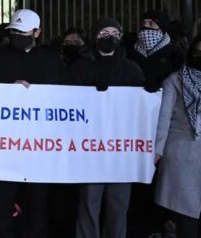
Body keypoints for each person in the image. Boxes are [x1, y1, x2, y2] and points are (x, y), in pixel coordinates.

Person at [0, 8, 68, 238]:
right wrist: (6, 90)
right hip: (4, 146)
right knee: (3, 205)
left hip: (39, 148)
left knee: (37, 206)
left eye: (22, 31)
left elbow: (65, 98)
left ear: (37, 32)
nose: (17, 35)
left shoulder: (51, 60)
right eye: (14, 31)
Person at [69, 18, 145, 238]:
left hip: (121, 149)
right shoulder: (80, 67)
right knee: (88, 203)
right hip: (90, 148)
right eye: (104, 32)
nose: (110, 37)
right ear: (94, 36)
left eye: (115, 33)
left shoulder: (131, 68)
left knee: (118, 205)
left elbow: (141, 110)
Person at [154, 34, 201, 238]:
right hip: (185, 159)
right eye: (198, 53)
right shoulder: (176, 80)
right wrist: (157, 150)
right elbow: (163, 118)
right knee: (187, 225)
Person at [126, 9, 185, 91]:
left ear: (161, 28)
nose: (145, 26)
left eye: (151, 23)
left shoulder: (174, 54)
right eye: (143, 23)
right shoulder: (130, 52)